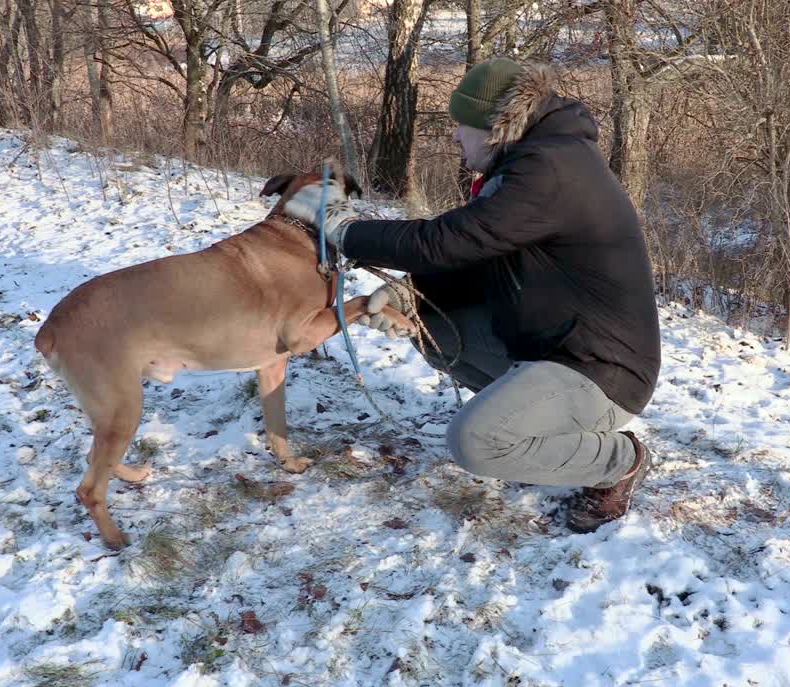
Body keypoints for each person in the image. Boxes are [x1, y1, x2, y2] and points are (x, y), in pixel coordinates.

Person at [281, 58, 661, 533]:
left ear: (493, 126)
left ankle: (620, 459)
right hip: (555, 347)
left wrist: (345, 229)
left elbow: (446, 241)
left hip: (603, 370)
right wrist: (413, 292)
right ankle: (538, 426)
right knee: (434, 328)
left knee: (475, 442)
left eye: (461, 127)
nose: (456, 138)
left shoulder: (551, 170)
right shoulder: (539, 160)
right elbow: (488, 258)